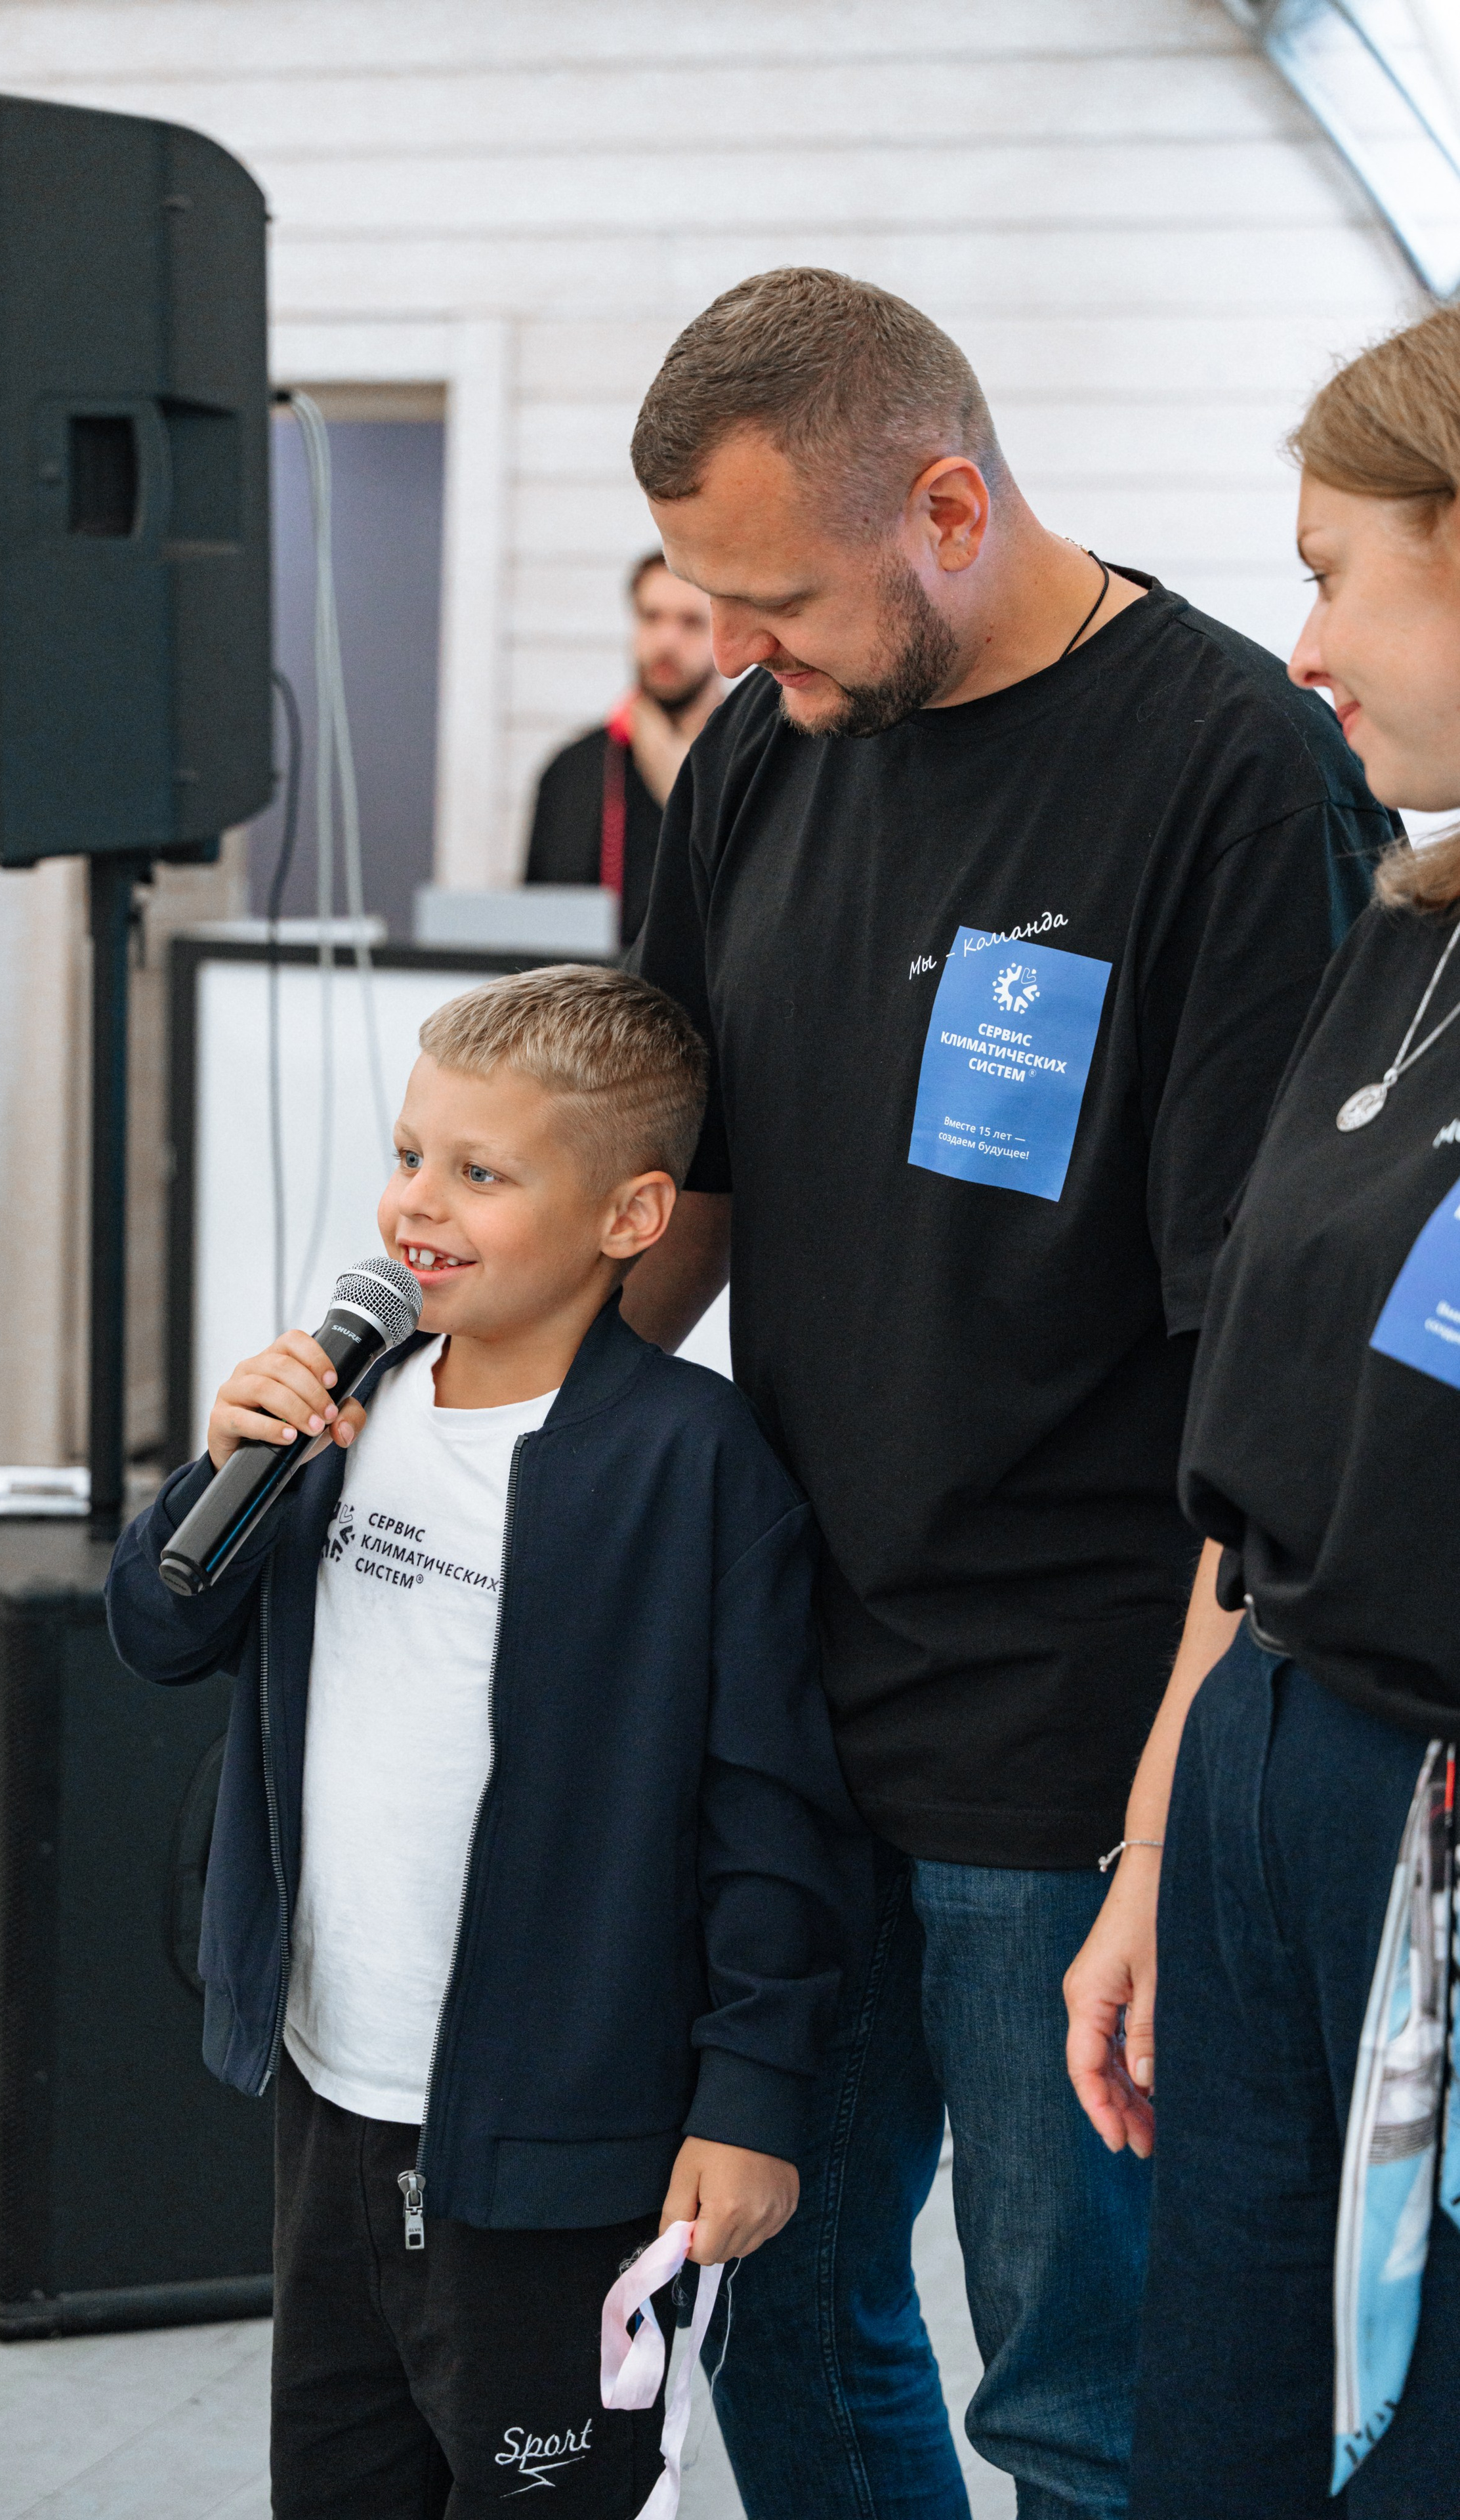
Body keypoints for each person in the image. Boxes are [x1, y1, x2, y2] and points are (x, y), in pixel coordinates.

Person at [620, 266, 1392, 2519]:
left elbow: (1263, 1352)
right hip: (792, 1695)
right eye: (712, 602)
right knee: (773, 2305)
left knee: (1085, 2391)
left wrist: (1162, 1811)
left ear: (947, 509)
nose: (737, 651)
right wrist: (458, 1411)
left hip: (1067, 1738)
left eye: (781, 601)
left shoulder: (1231, 767)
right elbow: (687, 1187)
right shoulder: (764, 749)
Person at [106, 964, 863, 2519]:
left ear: (630, 1215)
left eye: (480, 1172)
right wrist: (215, 1470)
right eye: (408, 1155)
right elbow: (161, 1634)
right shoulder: (340, 1412)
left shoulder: (690, 1465)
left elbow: (771, 1816)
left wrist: (745, 2096)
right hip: (331, 2092)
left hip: (562, 2142)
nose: (416, 1206)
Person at [1059, 309, 1460, 2518]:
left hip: (1426, 1810)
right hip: (1267, 1767)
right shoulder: (1403, 937)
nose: (1304, 644)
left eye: (1332, 573)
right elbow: (1263, 1462)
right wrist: (1154, 1848)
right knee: (1218, 2413)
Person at [524, 552, 724, 944]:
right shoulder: (572, 773)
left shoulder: (756, 762)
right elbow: (537, 932)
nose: (667, 641)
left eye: (691, 622)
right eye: (651, 617)